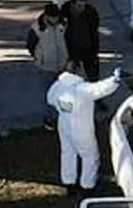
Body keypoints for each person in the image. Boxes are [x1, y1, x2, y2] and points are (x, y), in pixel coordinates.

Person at [46, 61, 123, 196]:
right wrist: (115, 79)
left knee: (68, 153)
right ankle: (87, 186)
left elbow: (50, 99)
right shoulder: (82, 89)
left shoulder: (58, 86)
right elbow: (101, 88)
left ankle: (69, 182)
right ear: (79, 71)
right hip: (81, 128)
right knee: (90, 156)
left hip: (64, 124)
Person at [60, 0, 102, 81]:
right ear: (72, 4)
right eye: (79, 6)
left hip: (88, 48)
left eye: (83, 5)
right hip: (71, 49)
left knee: (93, 76)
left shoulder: (91, 13)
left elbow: (94, 31)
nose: (82, 8)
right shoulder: (65, 11)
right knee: (70, 77)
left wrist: (95, 51)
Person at [26, 2, 69, 77]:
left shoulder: (65, 25)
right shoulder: (37, 28)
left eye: (56, 17)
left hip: (64, 66)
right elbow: (31, 45)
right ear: (46, 16)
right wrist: (38, 57)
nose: (54, 19)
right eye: (52, 17)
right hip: (44, 68)